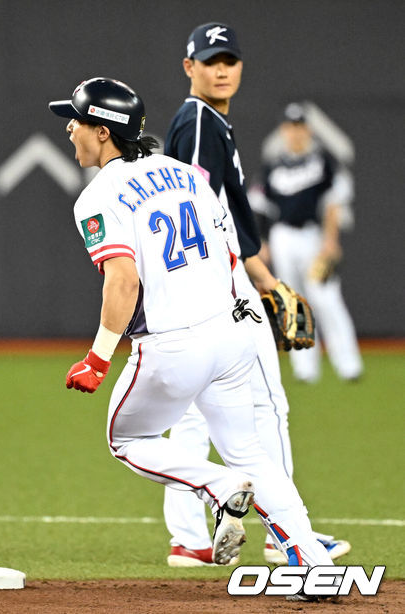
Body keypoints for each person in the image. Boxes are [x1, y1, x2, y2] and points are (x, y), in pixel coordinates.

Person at [48, 76, 334, 580]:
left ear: (102, 132)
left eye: (77, 120)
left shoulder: (97, 196)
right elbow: (228, 254)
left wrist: (97, 357)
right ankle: (312, 561)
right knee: (250, 453)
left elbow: (123, 281)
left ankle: (218, 488)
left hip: (173, 347)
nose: (69, 128)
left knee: (127, 438)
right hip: (230, 335)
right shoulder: (185, 173)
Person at [163, 22, 350, 567]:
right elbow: (196, 208)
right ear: (188, 66)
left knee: (197, 417)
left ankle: (188, 538)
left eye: (230, 60)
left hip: (200, 291)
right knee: (267, 407)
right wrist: (259, 281)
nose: (222, 69)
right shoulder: (198, 120)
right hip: (219, 287)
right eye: (210, 59)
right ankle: (288, 537)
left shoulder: (209, 120)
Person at [249, 102, 363, 383]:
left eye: (300, 127)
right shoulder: (272, 167)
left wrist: (331, 240)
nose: (296, 133)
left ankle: (348, 365)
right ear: (283, 130)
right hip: (283, 237)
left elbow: (334, 202)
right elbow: (260, 207)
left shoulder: (322, 161)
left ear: (308, 130)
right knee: (293, 301)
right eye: (291, 127)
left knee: (327, 298)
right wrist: (263, 241)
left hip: (313, 237)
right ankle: (305, 368)